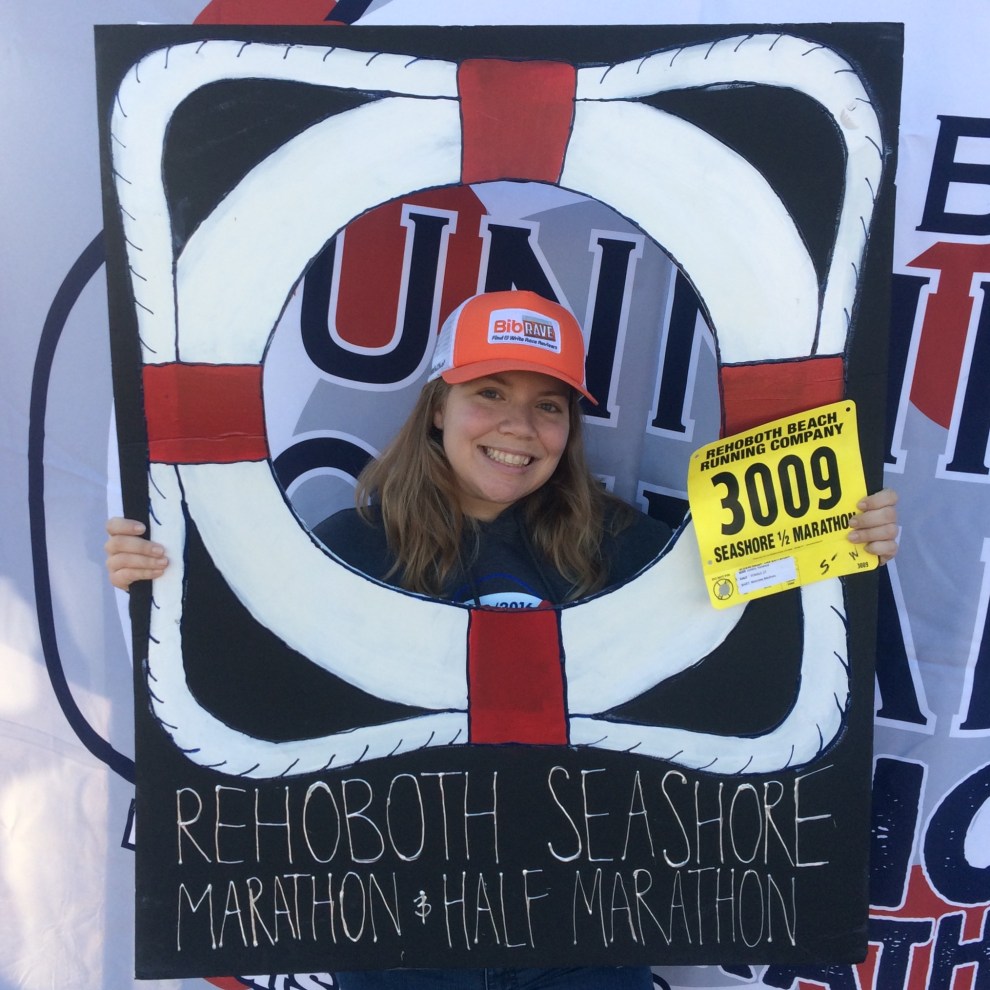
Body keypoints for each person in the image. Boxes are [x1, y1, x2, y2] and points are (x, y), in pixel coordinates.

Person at [104, 290, 900, 988]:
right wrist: (156, 578)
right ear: (438, 405)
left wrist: (847, 536)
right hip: (397, 944)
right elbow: (239, 689)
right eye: (490, 392)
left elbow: (763, 637)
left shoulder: (628, 550)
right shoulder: (341, 551)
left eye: (549, 404)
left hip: (585, 940)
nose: (520, 427)